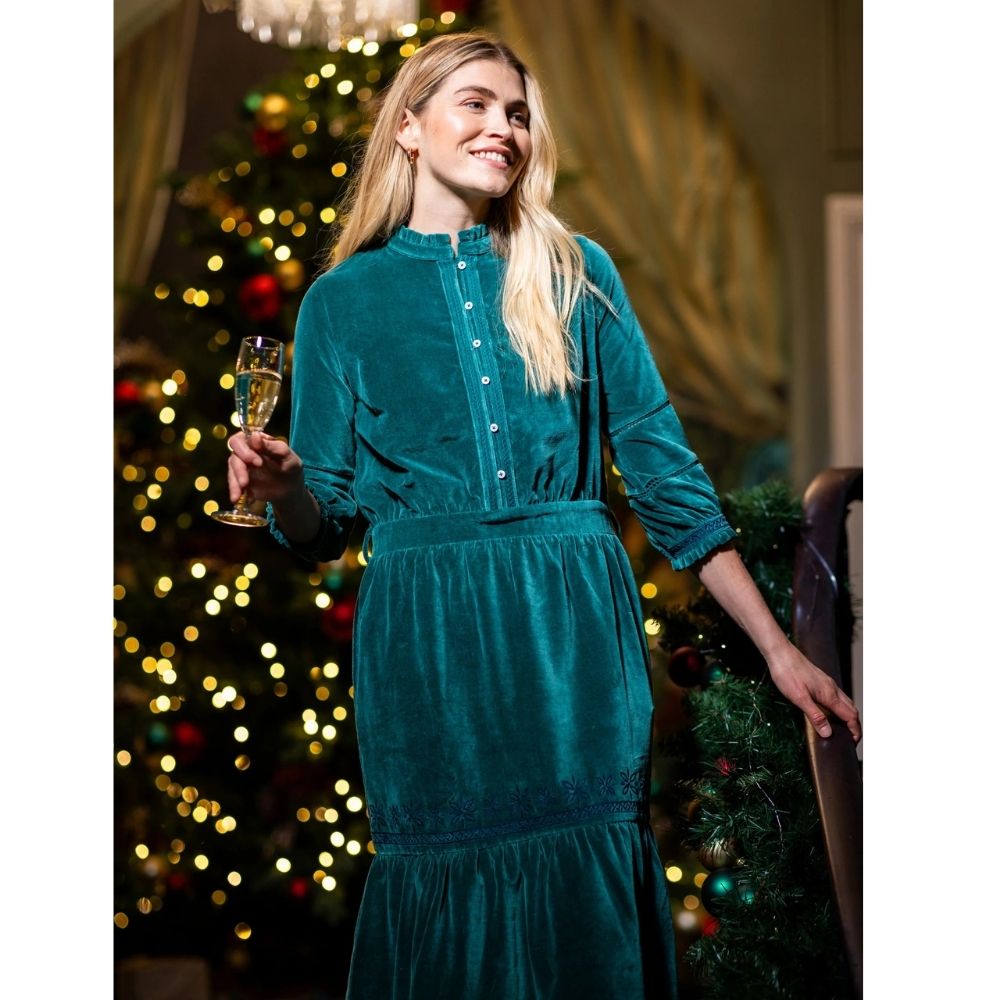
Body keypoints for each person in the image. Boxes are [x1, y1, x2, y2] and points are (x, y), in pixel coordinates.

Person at [225, 29, 861, 1000]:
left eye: (517, 113)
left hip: (573, 635)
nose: (504, 128)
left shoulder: (576, 271)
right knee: (446, 902)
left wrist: (778, 649)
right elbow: (323, 525)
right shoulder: (340, 304)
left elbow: (665, 475)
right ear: (408, 127)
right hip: (427, 643)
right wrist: (284, 491)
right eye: (476, 104)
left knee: (586, 899)